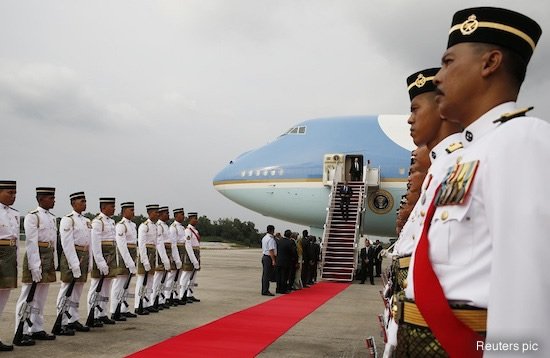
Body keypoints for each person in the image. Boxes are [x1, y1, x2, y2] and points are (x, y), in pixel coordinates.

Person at [406, 7, 547, 357]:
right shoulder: (467, 154)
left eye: (448, 62)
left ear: (490, 63)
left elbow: (525, 286)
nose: (438, 77)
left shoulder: (521, 139)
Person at [14, 187, 58, 345]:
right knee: (27, 296)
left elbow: (53, 242)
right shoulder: (32, 217)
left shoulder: (51, 218)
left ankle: (36, 327)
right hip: (36, 256)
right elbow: (31, 242)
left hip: (47, 256)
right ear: (41, 199)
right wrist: (35, 265)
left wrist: (54, 261)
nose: (54, 200)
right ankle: (22, 330)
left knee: (41, 297)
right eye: (50, 198)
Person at [56, 191, 92, 335]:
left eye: (85, 201)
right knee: (66, 289)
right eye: (82, 201)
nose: (84, 203)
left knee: (77, 291)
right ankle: (62, 321)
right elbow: (67, 243)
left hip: (83, 254)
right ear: (73, 203)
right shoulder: (68, 219)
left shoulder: (85, 221)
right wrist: (73, 263)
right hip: (72, 255)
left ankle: (73, 319)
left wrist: (89, 261)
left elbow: (89, 242)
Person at [87, 197, 117, 326]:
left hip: (110, 254)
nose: (114, 208)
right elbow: (95, 244)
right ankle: (91, 315)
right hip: (102, 255)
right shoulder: (98, 222)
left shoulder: (111, 222)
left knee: (106, 287)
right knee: (96, 287)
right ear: (104, 207)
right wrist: (100, 262)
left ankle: (102, 313)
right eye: (111, 206)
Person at [0, 181, 20, 350]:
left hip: (9, 255)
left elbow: (16, 241)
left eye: (15, 193)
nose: (13, 196)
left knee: (3, 297)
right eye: (9, 192)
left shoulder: (14, 213)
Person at [110, 201, 138, 320]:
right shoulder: (121, 225)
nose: (133, 212)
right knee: (119, 284)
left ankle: (123, 309)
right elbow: (122, 245)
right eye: (131, 210)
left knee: (126, 285)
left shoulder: (133, 225)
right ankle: (114, 310)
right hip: (124, 255)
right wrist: (128, 262)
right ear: (124, 211)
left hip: (131, 253)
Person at [134, 204, 159, 314]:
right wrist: (144, 260)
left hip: (152, 254)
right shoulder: (144, 226)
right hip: (145, 255)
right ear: (149, 213)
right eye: (155, 212)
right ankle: (138, 304)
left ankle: (147, 303)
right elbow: (142, 245)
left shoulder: (155, 226)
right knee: (141, 281)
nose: (157, 214)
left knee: (150, 281)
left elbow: (156, 244)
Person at [152, 206, 172, 309]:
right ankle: (154, 299)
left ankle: (161, 299)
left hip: (167, 253)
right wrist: (164, 259)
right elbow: (159, 244)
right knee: (158, 278)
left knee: (164, 278)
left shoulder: (165, 226)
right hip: (161, 254)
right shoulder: (159, 226)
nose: (168, 215)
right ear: (160, 215)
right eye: (166, 213)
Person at [182, 212, 201, 302]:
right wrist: (193, 260)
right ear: (190, 219)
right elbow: (188, 246)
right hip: (190, 254)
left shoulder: (195, 230)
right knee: (186, 275)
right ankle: (182, 294)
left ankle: (189, 294)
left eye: (196, 218)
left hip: (196, 253)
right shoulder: (188, 231)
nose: (196, 220)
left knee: (193, 277)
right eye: (194, 218)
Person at [167, 208, 184, 305]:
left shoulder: (181, 227)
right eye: (181, 214)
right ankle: (168, 296)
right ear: (176, 216)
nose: (183, 216)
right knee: (172, 276)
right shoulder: (173, 227)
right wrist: (176, 258)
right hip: (175, 252)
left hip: (181, 252)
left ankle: (175, 295)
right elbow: (173, 244)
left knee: (178, 276)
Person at [260, 225, 276, 296]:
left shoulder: (264, 237)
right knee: (267, 275)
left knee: (265, 275)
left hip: (264, 257)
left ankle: (264, 289)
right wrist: (273, 260)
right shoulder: (271, 239)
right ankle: (265, 290)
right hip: (268, 257)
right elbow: (271, 250)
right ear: (272, 230)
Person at [275, 230, 293, 294]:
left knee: (278, 276)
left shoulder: (279, 241)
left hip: (278, 261)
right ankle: (283, 289)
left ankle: (278, 289)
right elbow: (291, 252)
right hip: (286, 262)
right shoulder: (289, 242)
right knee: (284, 276)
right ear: (290, 235)